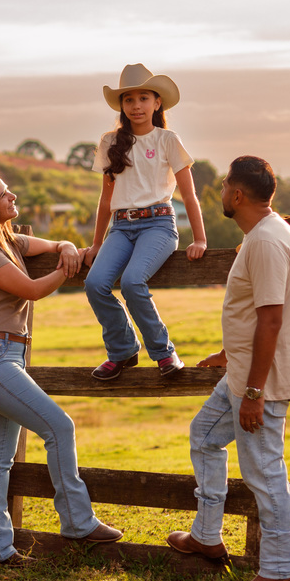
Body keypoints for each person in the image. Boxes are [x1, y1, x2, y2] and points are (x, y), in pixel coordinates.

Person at [0, 170, 123, 565]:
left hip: (4, 356)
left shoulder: (6, 241)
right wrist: (71, 267)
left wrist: (66, 245)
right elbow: (31, 290)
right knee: (59, 426)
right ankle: (77, 521)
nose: (13, 196)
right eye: (3, 194)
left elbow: (52, 243)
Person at [166, 155, 290, 581]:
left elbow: (271, 319)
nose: (221, 189)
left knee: (264, 472)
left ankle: (280, 570)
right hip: (241, 375)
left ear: (238, 194)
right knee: (204, 436)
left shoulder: (266, 241)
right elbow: (254, 311)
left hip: (256, 385)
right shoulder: (262, 236)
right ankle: (207, 535)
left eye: (226, 183)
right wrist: (229, 353)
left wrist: (253, 392)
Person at [84, 63, 208, 380]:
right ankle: (123, 350)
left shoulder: (168, 140)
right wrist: (97, 243)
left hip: (158, 225)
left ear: (157, 102)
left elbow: (189, 195)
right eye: (129, 100)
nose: (136, 106)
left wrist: (200, 239)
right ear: (122, 106)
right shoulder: (110, 143)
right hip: (121, 228)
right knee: (95, 284)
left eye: (143, 98)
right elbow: (106, 200)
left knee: (132, 282)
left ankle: (165, 354)